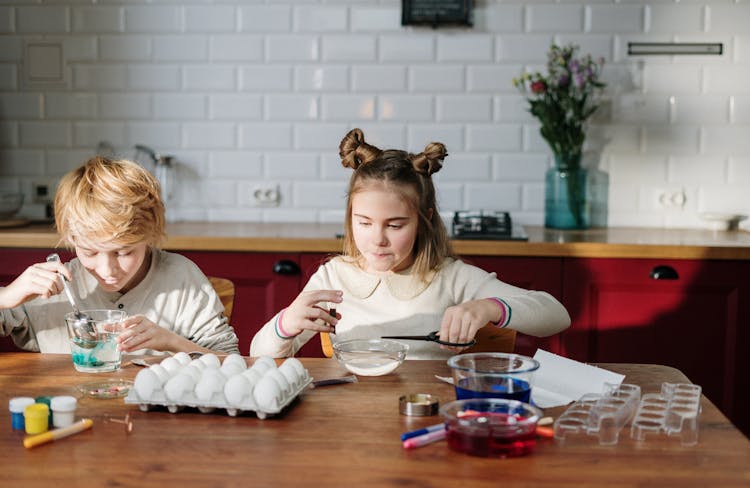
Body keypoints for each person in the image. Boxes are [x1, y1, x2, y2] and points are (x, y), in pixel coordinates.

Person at [250, 128, 570, 359]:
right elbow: (258, 354)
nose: (377, 238)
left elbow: (555, 315)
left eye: (396, 225)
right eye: (364, 222)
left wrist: (488, 307)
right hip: (351, 424)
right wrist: (286, 324)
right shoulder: (334, 278)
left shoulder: (451, 277)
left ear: (423, 219)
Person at [0, 156, 239, 355]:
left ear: (150, 236)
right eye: (89, 252)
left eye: (124, 252)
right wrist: (6, 296)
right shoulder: (51, 290)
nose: (107, 271)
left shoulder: (181, 278)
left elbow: (231, 364)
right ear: (71, 240)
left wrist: (172, 342)